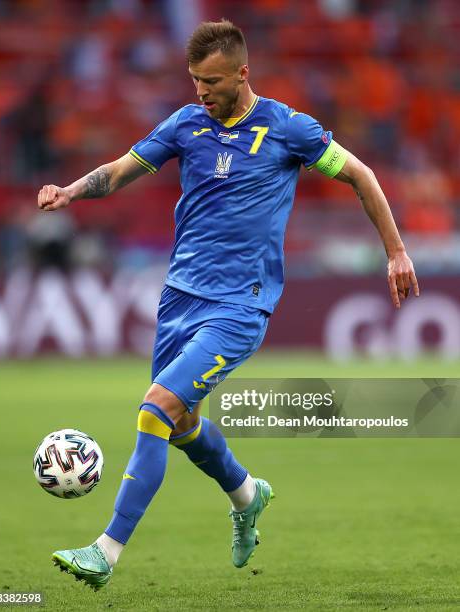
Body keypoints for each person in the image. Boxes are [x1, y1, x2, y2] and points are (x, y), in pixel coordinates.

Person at [38, 20, 419, 590]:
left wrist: (396, 252)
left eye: (211, 81)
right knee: (183, 423)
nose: (201, 92)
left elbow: (362, 176)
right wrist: (71, 191)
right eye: (194, 80)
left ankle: (106, 550)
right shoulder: (186, 123)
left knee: (155, 410)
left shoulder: (289, 128)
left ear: (243, 74)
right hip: (179, 297)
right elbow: (119, 170)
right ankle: (247, 493)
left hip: (240, 306)